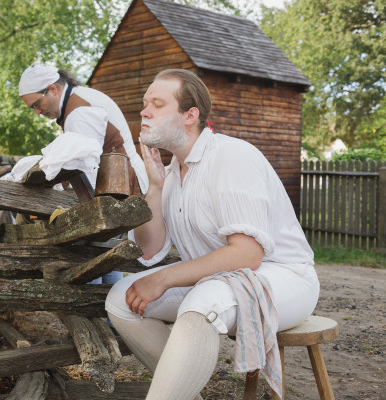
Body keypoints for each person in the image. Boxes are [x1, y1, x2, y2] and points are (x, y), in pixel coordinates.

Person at [105, 69, 320, 400]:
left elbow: (247, 254)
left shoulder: (232, 156)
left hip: (283, 278)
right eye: (144, 103)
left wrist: (164, 279)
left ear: (190, 116)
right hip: (215, 280)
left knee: (201, 300)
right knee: (122, 298)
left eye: (157, 104)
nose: (144, 111)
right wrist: (156, 187)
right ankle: (185, 391)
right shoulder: (173, 174)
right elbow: (149, 251)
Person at [19, 62, 150, 284]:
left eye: (36, 104)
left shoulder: (79, 111)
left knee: (89, 250)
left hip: (121, 188)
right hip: (118, 187)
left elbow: (85, 165)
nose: (38, 111)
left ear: (52, 89)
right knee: (102, 251)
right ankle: (107, 309)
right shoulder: (78, 101)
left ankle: (102, 311)